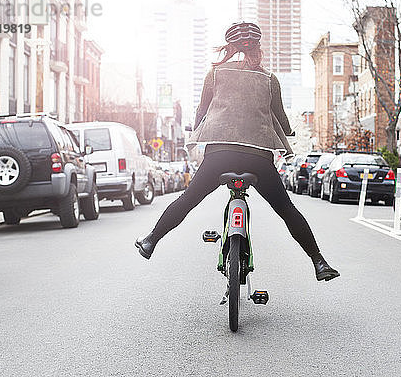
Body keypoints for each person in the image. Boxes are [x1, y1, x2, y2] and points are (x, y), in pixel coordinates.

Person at [135, 22, 339, 281]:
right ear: (257, 47)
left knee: (188, 200)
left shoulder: (215, 74)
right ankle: (319, 262)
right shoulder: (269, 79)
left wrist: (197, 126)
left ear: (229, 47)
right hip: (258, 159)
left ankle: (151, 240)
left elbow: (201, 110)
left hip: (219, 156)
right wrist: (288, 131)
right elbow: (281, 117)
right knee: (286, 209)